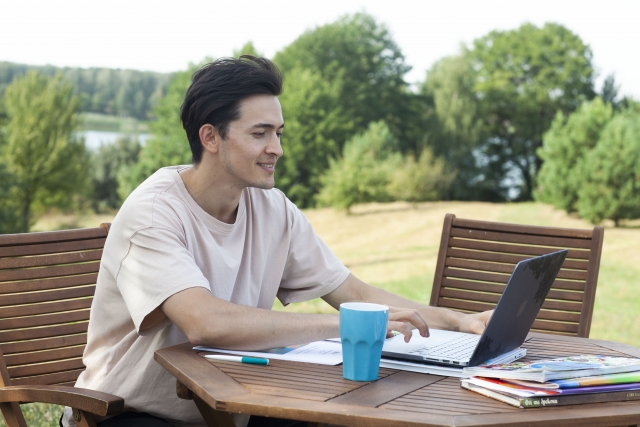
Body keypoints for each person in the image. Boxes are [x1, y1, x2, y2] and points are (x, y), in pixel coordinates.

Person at [63, 56, 491, 427]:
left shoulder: (272, 208)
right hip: (127, 414)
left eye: (279, 133)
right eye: (260, 133)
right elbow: (205, 322)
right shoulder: (153, 214)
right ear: (210, 137)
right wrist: (346, 326)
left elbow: (353, 293)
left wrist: (459, 321)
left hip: (232, 407)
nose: (277, 148)